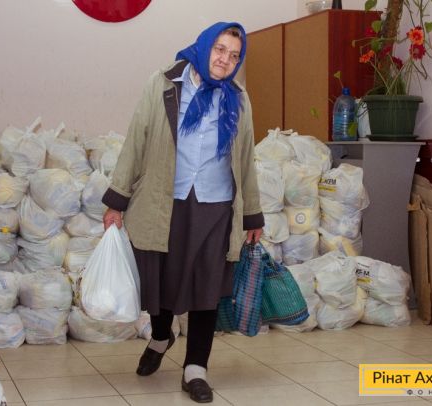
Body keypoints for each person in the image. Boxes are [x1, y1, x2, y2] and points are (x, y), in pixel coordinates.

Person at [102, 21, 263, 403]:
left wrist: (252, 215)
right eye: (220, 49)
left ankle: (196, 369)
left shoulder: (238, 98)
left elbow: (246, 157)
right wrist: (117, 200)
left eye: (234, 55)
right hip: (165, 200)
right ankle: (161, 336)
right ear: (204, 46)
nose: (225, 60)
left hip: (216, 205)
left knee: (207, 287)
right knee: (162, 282)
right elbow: (137, 140)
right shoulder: (164, 84)